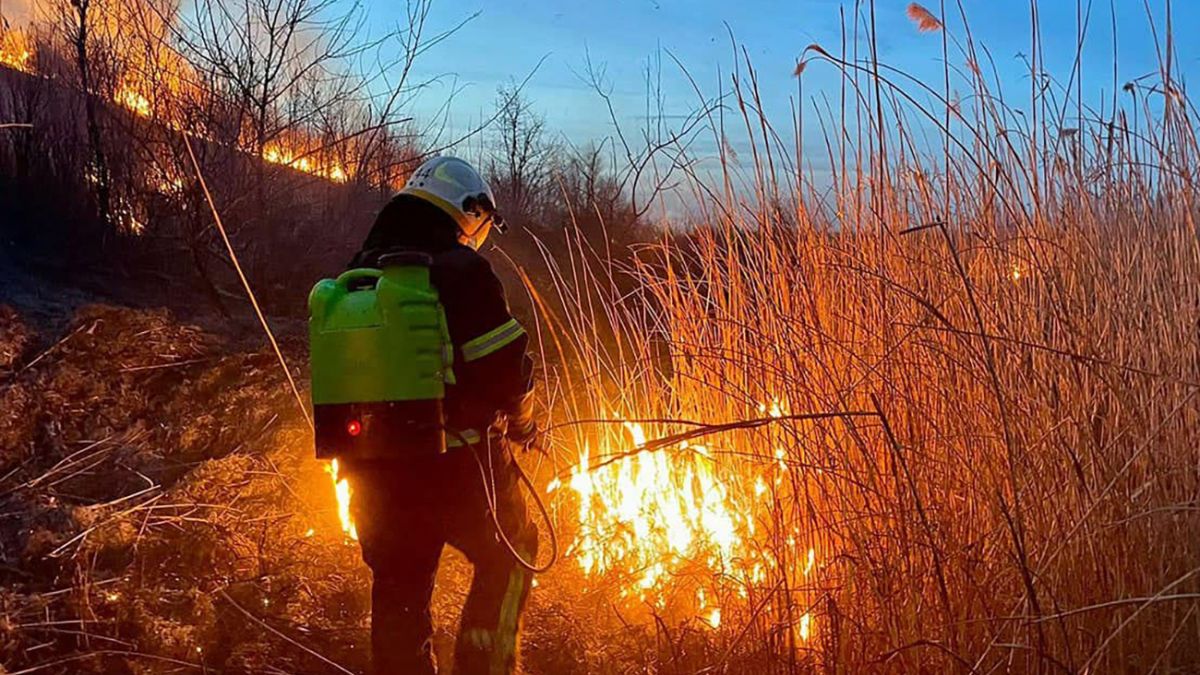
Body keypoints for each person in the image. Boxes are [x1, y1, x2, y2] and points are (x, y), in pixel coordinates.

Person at [343, 156, 540, 675]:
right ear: (468, 210)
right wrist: (523, 423)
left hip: (371, 474)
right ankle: (484, 666)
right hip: (459, 466)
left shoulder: (356, 273)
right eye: (483, 222)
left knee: (398, 586)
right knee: (515, 549)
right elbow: (507, 369)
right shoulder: (460, 269)